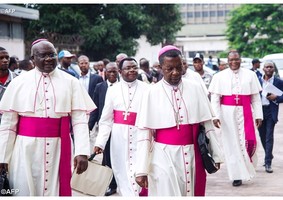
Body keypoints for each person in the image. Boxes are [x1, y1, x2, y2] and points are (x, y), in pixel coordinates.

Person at [0, 39, 96, 196]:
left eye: (52, 54)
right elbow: (8, 124)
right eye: (43, 55)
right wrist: (2, 156)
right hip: (25, 148)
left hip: (59, 146)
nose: (49, 59)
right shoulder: (19, 83)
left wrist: (82, 152)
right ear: (33, 58)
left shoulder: (71, 82)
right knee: (24, 189)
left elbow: (79, 120)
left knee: (56, 190)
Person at [134, 45, 223, 196]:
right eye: (169, 69)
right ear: (161, 67)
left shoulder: (195, 88)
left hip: (192, 153)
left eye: (178, 67)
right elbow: (144, 135)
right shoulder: (150, 92)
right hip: (163, 155)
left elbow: (207, 124)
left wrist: (216, 154)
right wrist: (141, 169)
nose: (175, 73)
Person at [94, 57, 149, 196]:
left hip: (140, 136)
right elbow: (106, 120)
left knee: (139, 173)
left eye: (134, 67)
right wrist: (100, 142)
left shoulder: (147, 89)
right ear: (120, 71)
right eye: (128, 68)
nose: (132, 70)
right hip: (119, 138)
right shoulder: (112, 90)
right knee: (121, 173)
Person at [208, 50, 263, 187]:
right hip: (227, 114)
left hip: (246, 112)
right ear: (227, 61)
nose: (234, 62)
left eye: (236, 59)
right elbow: (215, 99)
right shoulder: (219, 76)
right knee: (231, 144)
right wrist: (216, 116)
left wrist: (258, 115)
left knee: (248, 142)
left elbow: (255, 98)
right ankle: (236, 176)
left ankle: (247, 170)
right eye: (231, 60)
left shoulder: (250, 75)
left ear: (241, 60)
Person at [89, 62, 119, 196]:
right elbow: (95, 109)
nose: (112, 74)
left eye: (114, 71)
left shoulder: (122, 87)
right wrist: (88, 127)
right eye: (109, 72)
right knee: (106, 157)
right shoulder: (100, 87)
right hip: (105, 128)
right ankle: (111, 184)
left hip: (119, 129)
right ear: (105, 72)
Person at [258, 61, 283, 173]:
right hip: (259, 111)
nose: (269, 69)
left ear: (274, 69)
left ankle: (268, 162)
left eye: (271, 67)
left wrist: (276, 97)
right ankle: (269, 155)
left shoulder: (278, 82)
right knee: (262, 136)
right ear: (263, 69)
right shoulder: (257, 81)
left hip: (271, 111)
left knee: (269, 136)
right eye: (267, 67)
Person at [0, 47, 17, 123]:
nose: (5, 60)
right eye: (1, 58)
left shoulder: (18, 79)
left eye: (7, 58)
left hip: (11, 123)